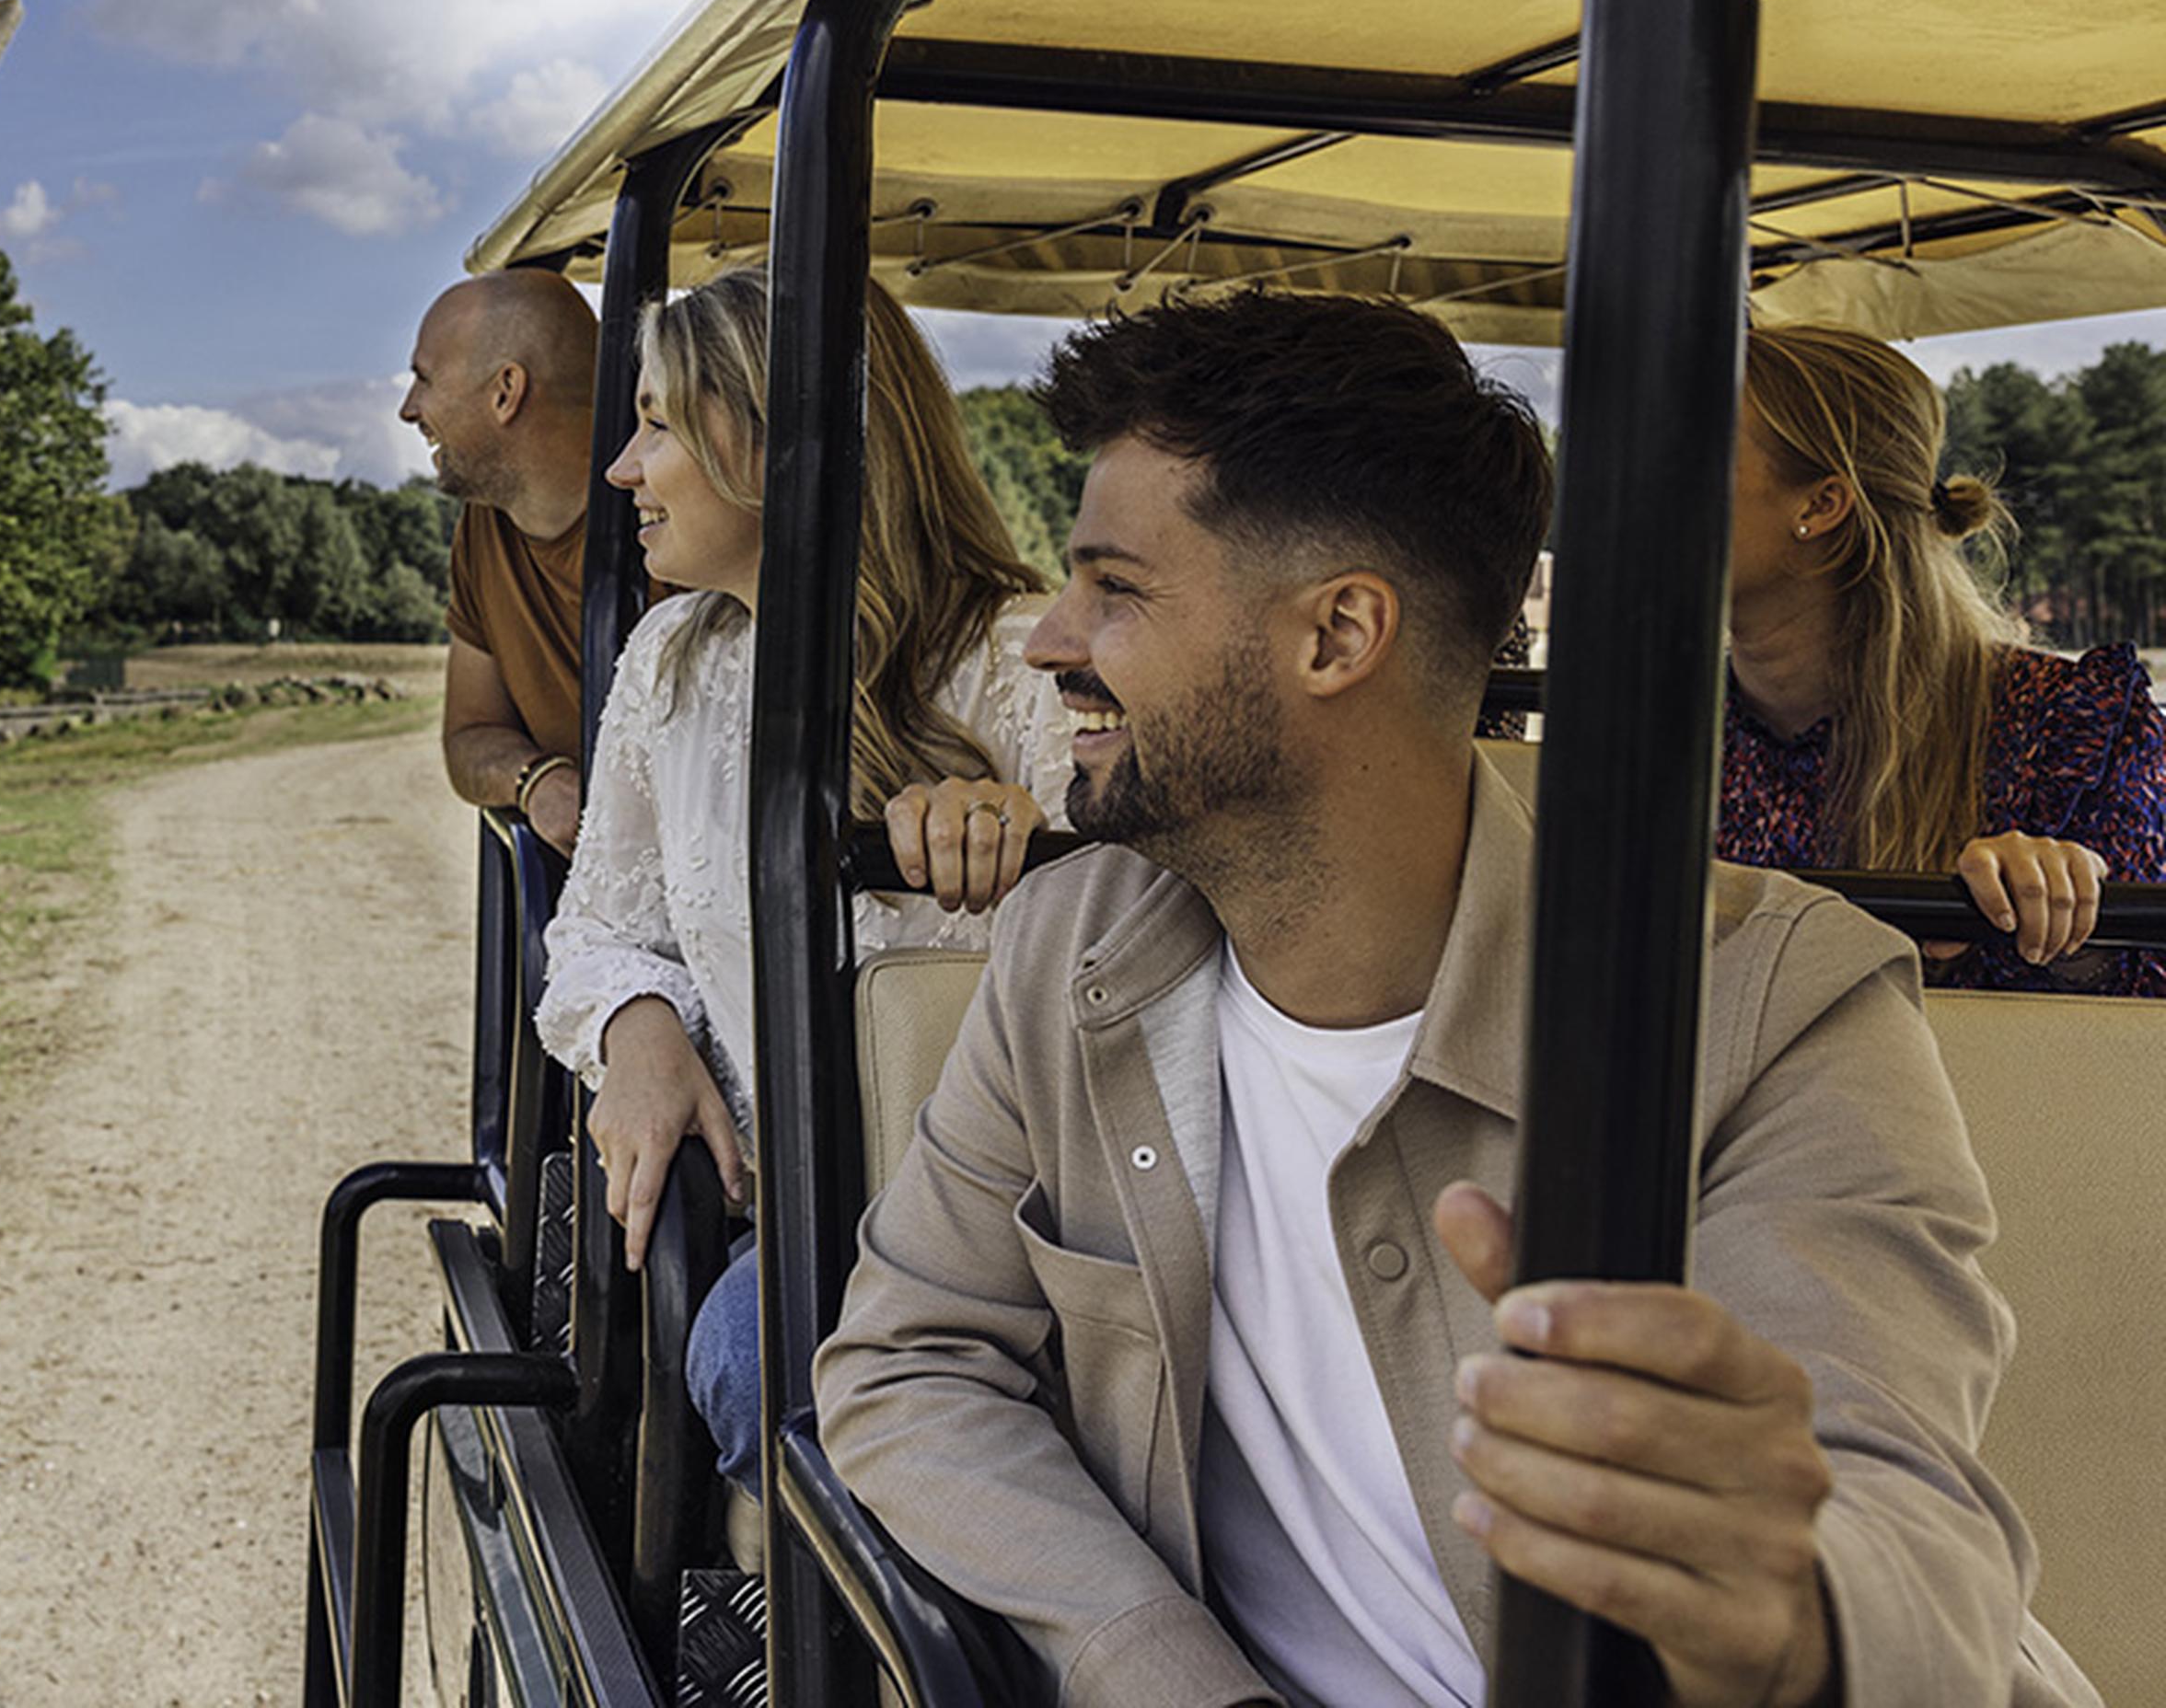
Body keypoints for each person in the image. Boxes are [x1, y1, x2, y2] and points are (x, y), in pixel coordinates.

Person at [817, 290, 2091, 1708]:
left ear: (1338, 633)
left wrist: (1788, 1616)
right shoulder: (1072, 950)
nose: (1051, 640)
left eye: (1114, 587)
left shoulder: (1774, 1005)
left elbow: (1896, 1517)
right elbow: (908, 1361)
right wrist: (1158, 1668)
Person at [531, 269, 1071, 1496]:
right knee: (741, 1351)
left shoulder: (1017, 662)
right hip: (800, 1218)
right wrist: (640, 1028)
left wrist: (1019, 838)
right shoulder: (672, 658)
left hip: (1010, 1223)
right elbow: (598, 926)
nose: (623, 468)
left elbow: (1131, 958)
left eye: (660, 422)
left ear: (778, 443)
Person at [1724, 322, 2166, 996]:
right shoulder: (1641, 734)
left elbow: (2135, 1029)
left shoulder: (2068, 729)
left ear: (1822, 503)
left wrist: (2070, 919)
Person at [404, 270, 613, 849]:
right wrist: (536, 780)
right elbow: (470, 732)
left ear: (505, 392)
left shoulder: (679, 520)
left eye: (423, 379)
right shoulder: (482, 529)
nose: (407, 408)